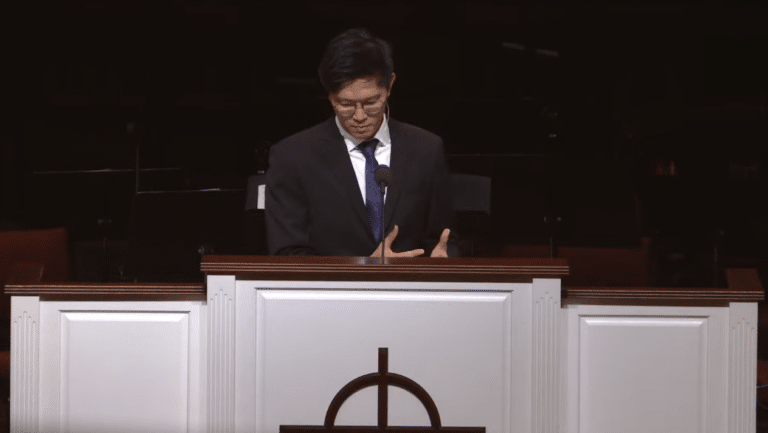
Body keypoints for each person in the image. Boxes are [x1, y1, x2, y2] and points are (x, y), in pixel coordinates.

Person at [265, 28, 455, 257]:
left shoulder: (426, 149)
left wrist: (443, 262)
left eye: (371, 102)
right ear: (329, 95)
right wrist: (364, 269)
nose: (359, 116)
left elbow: (445, 239)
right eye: (345, 104)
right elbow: (287, 253)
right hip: (330, 282)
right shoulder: (292, 157)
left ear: (390, 85)